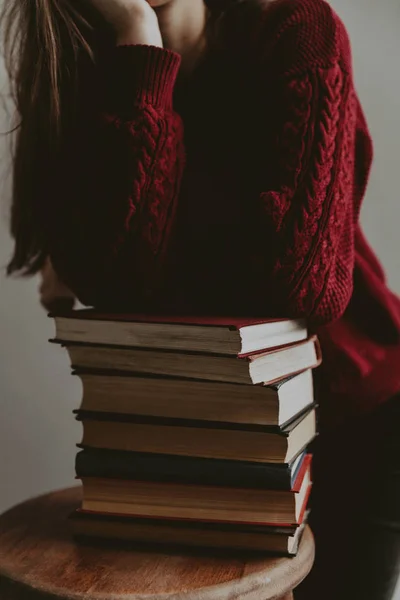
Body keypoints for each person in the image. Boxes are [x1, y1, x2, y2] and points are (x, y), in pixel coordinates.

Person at [2, 0, 400, 597]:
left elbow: (305, 286)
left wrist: (150, 261)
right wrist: (140, 42)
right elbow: (122, 290)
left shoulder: (299, 32)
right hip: (198, 431)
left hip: (352, 407)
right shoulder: (83, 68)